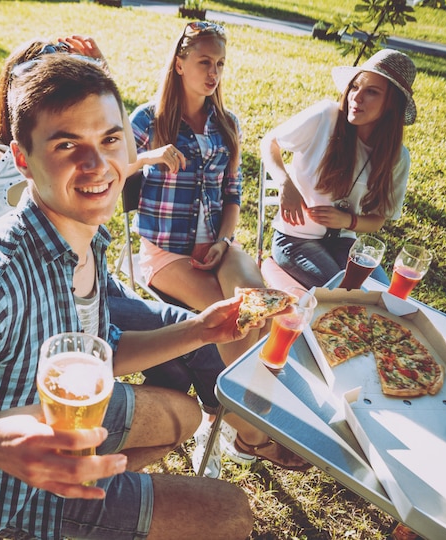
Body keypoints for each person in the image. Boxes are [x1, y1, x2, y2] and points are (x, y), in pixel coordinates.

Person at [0, 54, 255, 540]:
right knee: (233, 513)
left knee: (185, 416)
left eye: (109, 139)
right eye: (68, 144)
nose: (98, 165)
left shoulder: (87, 236)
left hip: (69, 419)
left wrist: (200, 330)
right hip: (15, 492)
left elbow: (102, 348)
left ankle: (108, 506)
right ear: (23, 160)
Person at [0, 35, 226, 415]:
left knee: (186, 337)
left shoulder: (70, 151)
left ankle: (193, 421)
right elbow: (55, 179)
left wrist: (103, 81)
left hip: (89, 274)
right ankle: (221, 426)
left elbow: (124, 156)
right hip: (48, 295)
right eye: (53, 80)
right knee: (178, 361)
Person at [128, 21, 310, 476]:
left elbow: (233, 193)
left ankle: (230, 419)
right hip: (164, 252)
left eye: (221, 64)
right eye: (205, 62)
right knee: (231, 319)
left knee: (262, 308)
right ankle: (241, 429)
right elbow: (112, 167)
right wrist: (150, 156)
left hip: (219, 247)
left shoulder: (227, 124)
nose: (214, 73)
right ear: (180, 63)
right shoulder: (147, 120)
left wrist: (225, 241)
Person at [260, 49, 417, 289]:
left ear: (391, 104)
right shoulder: (326, 116)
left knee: (385, 297)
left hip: (345, 244)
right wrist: (285, 183)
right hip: (294, 240)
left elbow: (377, 221)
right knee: (346, 294)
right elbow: (269, 142)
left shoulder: (396, 157)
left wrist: (348, 220)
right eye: (355, 87)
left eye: (372, 92)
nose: (357, 97)